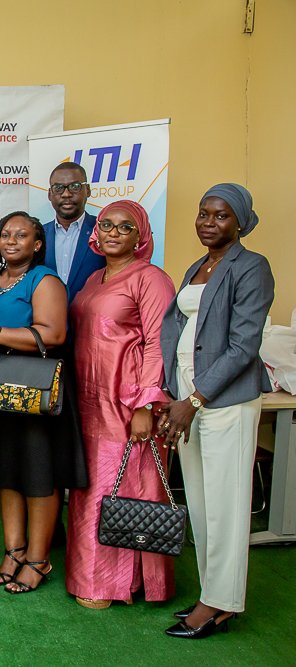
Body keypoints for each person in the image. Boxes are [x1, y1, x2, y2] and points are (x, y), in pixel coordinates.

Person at [157, 184, 275, 638]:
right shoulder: (198, 266)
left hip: (224, 400)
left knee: (227, 504)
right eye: (203, 213)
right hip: (188, 398)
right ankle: (213, 593)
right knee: (202, 503)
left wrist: (195, 399)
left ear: (240, 222)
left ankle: (221, 605)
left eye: (221, 215)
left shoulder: (252, 267)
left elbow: (244, 346)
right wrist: (176, 394)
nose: (209, 222)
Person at [0, 212, 87, 592]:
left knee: (38, 476)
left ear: (37, 244)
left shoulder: (45, 280)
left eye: (21, 235)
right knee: (8, 472)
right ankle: (13, 551)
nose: (11, 241)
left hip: (35, 388)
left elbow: (53, 334)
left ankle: (38, 558)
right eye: (5, 234)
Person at [65, 200, 176, 609]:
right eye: (107, 225)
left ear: (140, 235)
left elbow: (159, 344)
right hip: (89, 400)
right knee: (90, 490)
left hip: (127, 403)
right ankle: (89, 576)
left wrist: (146, 404)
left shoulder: (151, 279)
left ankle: (118, 585)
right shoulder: (94, 278)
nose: (113, 232)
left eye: (125, 227)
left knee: (125, 488)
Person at [43, 162, 105, 302]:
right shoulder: (38, 235)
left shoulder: (103, 231)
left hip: (92, 314)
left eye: (75, 186)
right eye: (58, 188)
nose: (66, 194)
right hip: (48, 315)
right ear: (50, 194)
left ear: (87, 190)